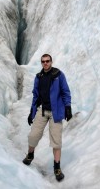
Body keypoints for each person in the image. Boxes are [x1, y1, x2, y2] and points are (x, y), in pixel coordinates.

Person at [23, 54, 72, 182]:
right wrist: (32, 112)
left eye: (47, 61)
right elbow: (35, 96)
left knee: (56, 141)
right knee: (33, 135)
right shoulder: (38, 77)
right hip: (43, 110)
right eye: (43, 62)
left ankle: (57, 168)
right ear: (41, 63)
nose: (45, 63)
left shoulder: (58, 75)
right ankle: (30, 154)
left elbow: (66, 92)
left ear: (51, 62)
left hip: (56, 112)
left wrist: (67, 107)